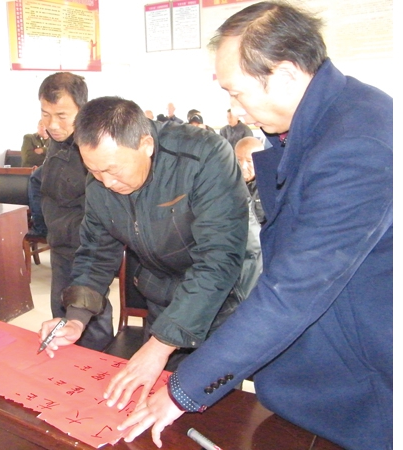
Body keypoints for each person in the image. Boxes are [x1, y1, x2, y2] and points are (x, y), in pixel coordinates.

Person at [118, 3, 392, 449]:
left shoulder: (355, 145)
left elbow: (292, 291)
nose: (235, 109)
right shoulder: (332, 113)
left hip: (359, 384)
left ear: (285, 76)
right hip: (317, 364)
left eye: (237, 93)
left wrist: (183, 390)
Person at [39, 97, 262, 409]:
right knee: (153, 395)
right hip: (163, 292)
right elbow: (95, 252)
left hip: (224, 300)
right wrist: (75, 318)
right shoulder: (102, 177)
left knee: (210, 403)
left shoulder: (204, 156)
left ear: (146, 145)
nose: (106, 182)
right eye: (94, 171)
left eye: (113, 170)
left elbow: (218, 260)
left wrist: (160, 345)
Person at [38, 72, 114, 351]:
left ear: (82, 111)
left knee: (91, 327)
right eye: (45, 114)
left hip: (87, 253)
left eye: (61, 115)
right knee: (60, 321)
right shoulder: (56, 141)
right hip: (60, 248)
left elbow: (101, 213)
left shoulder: (93, 148)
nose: (52, 124)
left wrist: (77, 235)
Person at [235, 136, 266, 225]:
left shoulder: (270, 186)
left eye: (249, 161)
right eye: (238, 160)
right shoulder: (225, 183)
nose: (243, 166)